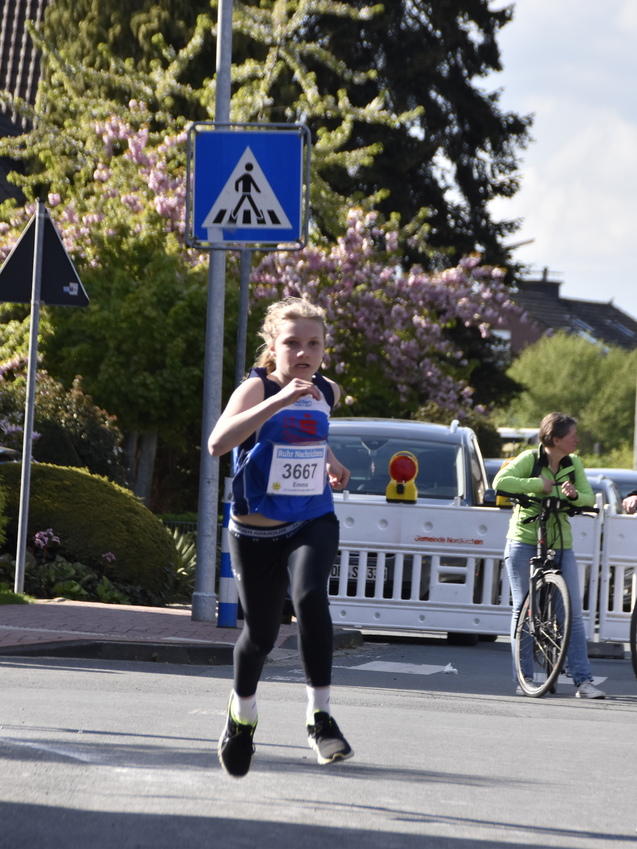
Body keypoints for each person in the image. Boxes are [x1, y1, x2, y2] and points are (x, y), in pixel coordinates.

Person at [208, 297, 353, 777]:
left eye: (314, 343)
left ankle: (320, 717)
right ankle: (242, 717)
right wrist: (278, 400)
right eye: (292, 343)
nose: (303, 352)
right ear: (273, 347)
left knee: (310, 597)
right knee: (261, 635)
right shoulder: (257, 388)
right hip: (256, 529)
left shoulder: (327, 390)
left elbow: (309, 434)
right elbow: (217, 443)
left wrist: (331, 462)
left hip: (312, 516)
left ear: (324, 349)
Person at [493, 412, 606, 699]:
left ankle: (584, 682)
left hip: (560, 542)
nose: (577, 439)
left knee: (572, 614)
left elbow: (588, 498)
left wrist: (573, 496)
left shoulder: (573, 463)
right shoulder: (530, 459)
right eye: (572, 435)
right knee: (523, 609)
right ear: (556, 439)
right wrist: (535, 484)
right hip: (524, 540)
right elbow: (500, 482)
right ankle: (525, 677)